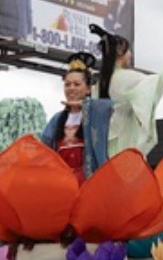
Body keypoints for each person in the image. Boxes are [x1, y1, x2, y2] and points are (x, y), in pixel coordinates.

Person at [89, 24, 163, 158]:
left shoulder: (99, 83)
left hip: (103, 144)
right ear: (120, 52)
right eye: (128, 50)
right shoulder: (126, 78)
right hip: (123, 141)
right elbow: (154, 85)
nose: (130, 55)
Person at [40, 52, 113, 184]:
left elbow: (118, 106)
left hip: (89, 183)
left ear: (88, 89)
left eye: (76, 84)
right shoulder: (57, 119)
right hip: (62, 184)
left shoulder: (96, 112)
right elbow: (43, 151)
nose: (71, 88)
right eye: (67, 84)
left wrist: (86, 105)